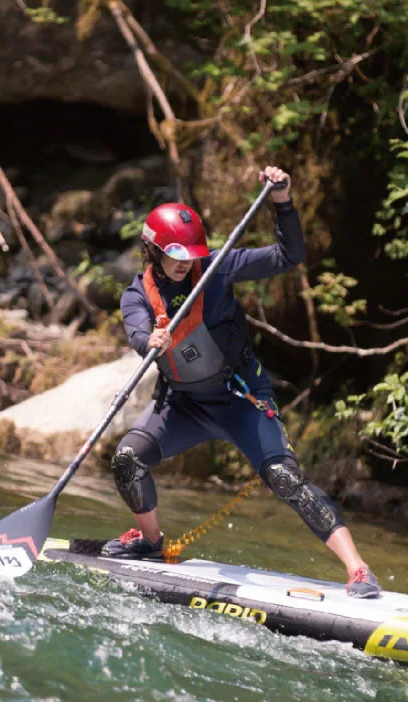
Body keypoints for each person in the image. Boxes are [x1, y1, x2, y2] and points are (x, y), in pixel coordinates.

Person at [101, 166, 381, 598]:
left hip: (240, 399)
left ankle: (359, 570)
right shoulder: (137, 294)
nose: (185, 263)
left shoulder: (218, 268)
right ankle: (152, 543)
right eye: (175, 255)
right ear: (152, 250)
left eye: (190, 254)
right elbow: (138, 333)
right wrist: (150, 339)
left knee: (285, 479)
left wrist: (282, 202)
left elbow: (289, 257)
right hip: (182, 405)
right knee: (126, 460)